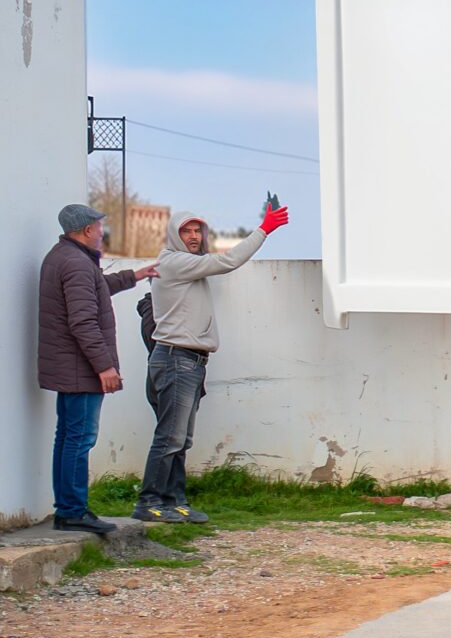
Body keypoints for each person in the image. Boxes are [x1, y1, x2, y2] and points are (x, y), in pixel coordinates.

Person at [132, 201, 287, 523]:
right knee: (170, 437)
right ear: (173, 236)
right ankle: (148, 503)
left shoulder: (186, 265)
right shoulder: (174, 262)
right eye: (186, 231)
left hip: (188, 361)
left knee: (180, 439)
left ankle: (175, 501)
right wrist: (265, 229)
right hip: (177, 359)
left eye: (197, 231)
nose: (193, 236)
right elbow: (229, 261)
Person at [36, 204, 155, 539]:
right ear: (87, 229)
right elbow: (83, 321)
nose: (102, 231)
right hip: (81, 368)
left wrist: (135, 275)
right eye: (100, 226)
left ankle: (68, 510)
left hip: (70, 366)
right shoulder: (75, 262)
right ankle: (73, 512)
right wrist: (104, 367)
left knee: (68, 437)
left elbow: (95, 287)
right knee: (80, 438)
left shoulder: (66, 257)